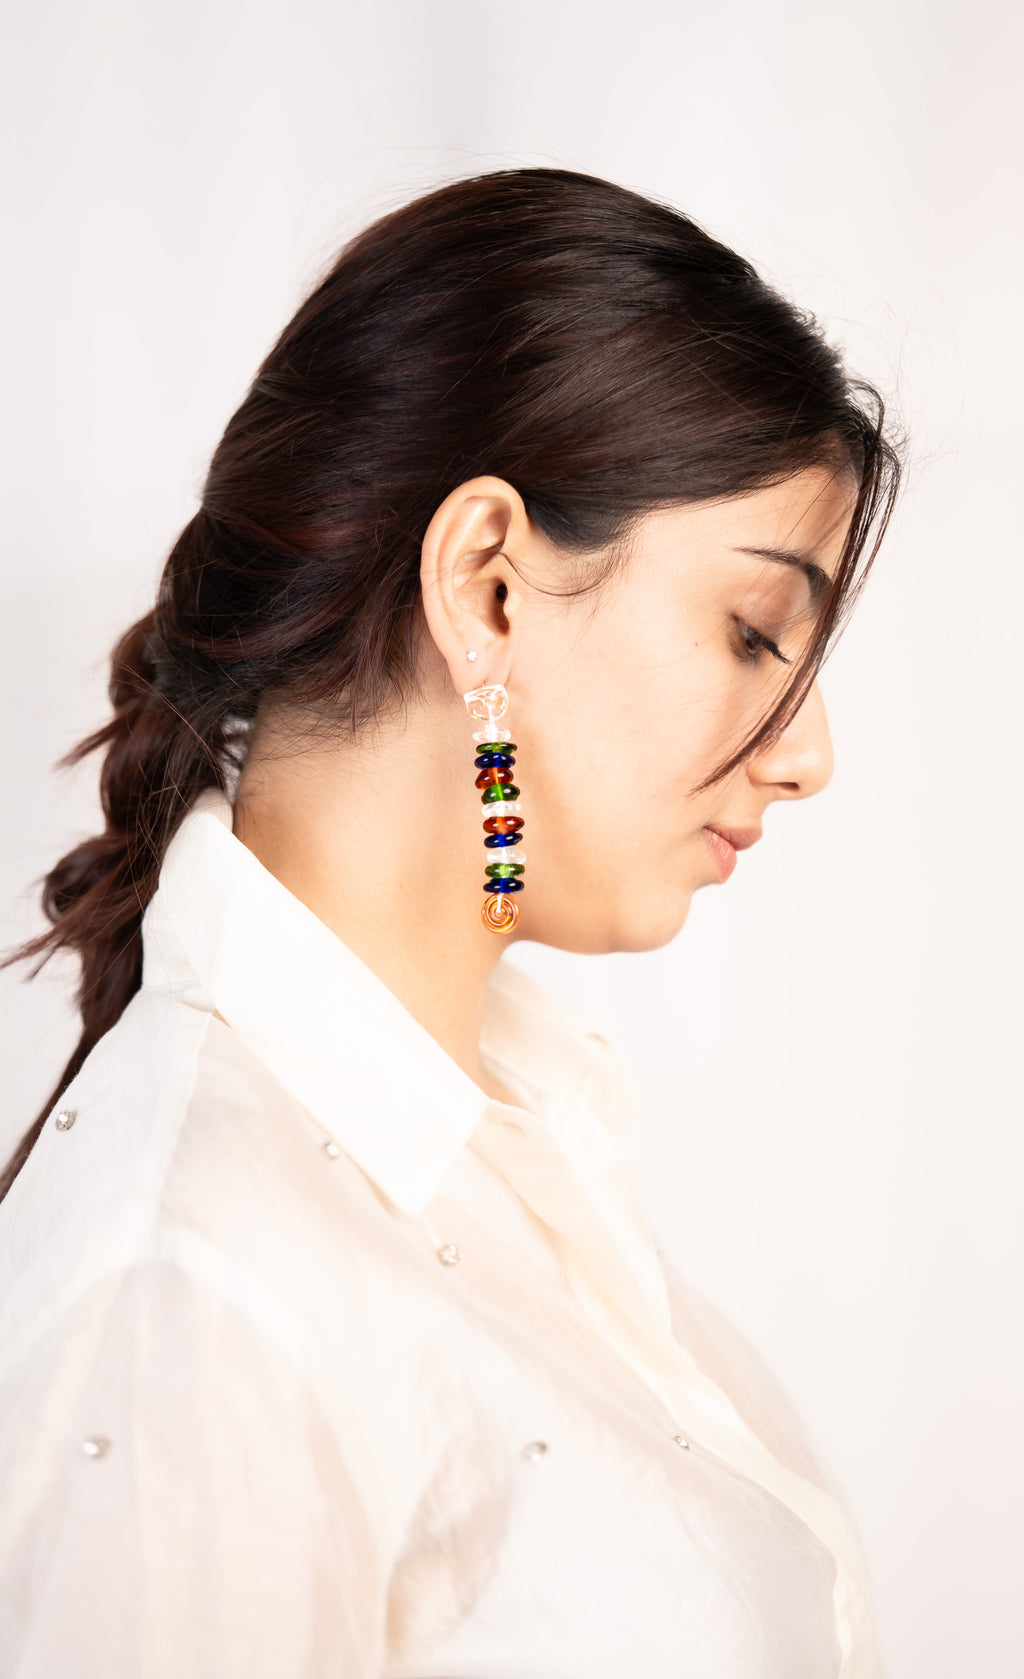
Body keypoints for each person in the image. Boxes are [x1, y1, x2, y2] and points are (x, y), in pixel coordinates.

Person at [0, 167, 901, 1677]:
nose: (809, 754)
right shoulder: (196, 1281)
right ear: (487, 586)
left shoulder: (520, 1155)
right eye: (755, 634)